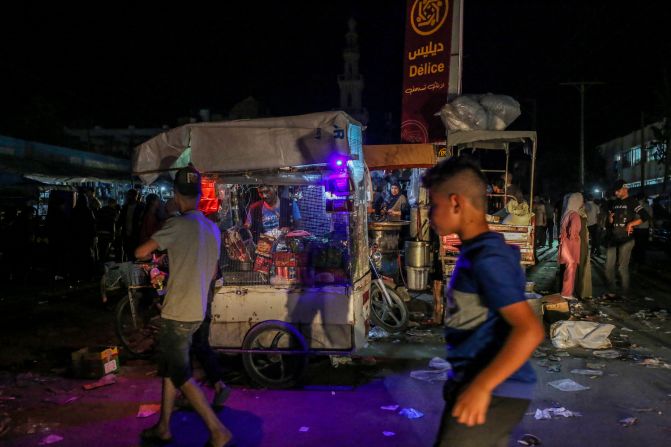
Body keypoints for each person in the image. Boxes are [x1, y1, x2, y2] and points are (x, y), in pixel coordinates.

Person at [422, 157, 544, 447]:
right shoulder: (478, 251)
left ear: (456, 203)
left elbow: (530, 330)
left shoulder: (487, 258)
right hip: (483, 388)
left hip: (495, 393)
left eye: (432, 204)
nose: (429, 213)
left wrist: (480, 387)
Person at [135, 166, 233, 447]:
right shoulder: (212, 229)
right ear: (201, 195)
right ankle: (164, 426)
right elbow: (213, 273)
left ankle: (218, 431)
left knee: (181, 375)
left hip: (176, 314)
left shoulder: (176, 225)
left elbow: (140, 252)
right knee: (169, 369)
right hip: (197, 311)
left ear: (177, 196)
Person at [605, 180, 650, 296]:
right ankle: (612, 290)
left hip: (626, 239)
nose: (616, 193)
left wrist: (631, 224)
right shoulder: (615, 203)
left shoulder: (632, 202)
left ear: (625, 189)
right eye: (615, 191)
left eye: (617, 191)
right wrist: (610, 219)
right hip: (614, 238)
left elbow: (645, 216)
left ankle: (625, 292)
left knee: (622, 268)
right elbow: (612, 221)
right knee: (608, 266)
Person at [558, 193, 583, 299]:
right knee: (571, 266)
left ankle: (566, 292)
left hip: (564, 244)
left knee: (568, 267)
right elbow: (573, 232)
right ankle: (567, 293)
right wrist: (576, 238)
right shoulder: (575, 215)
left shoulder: (566, 213)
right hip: (571, 245)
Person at [118, 189, 145, 261]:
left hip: (136, 234)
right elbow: (120, 220)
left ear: (136, 196)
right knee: (128, 252)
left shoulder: (141, 207)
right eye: (129, 195)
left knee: (134, 254)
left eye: (132, 195)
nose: (130, 197)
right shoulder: (125, 207)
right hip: (126, 234)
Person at [631, 194, 653, 268]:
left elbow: (631, 217)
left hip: (636, 228)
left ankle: (635, 261)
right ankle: (641, 261)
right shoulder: (648, 206)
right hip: (644, 228)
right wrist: (651, 228)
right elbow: (650, 218)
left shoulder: (634, 206)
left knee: (635, 245)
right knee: (643, 245)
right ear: (643, 198)